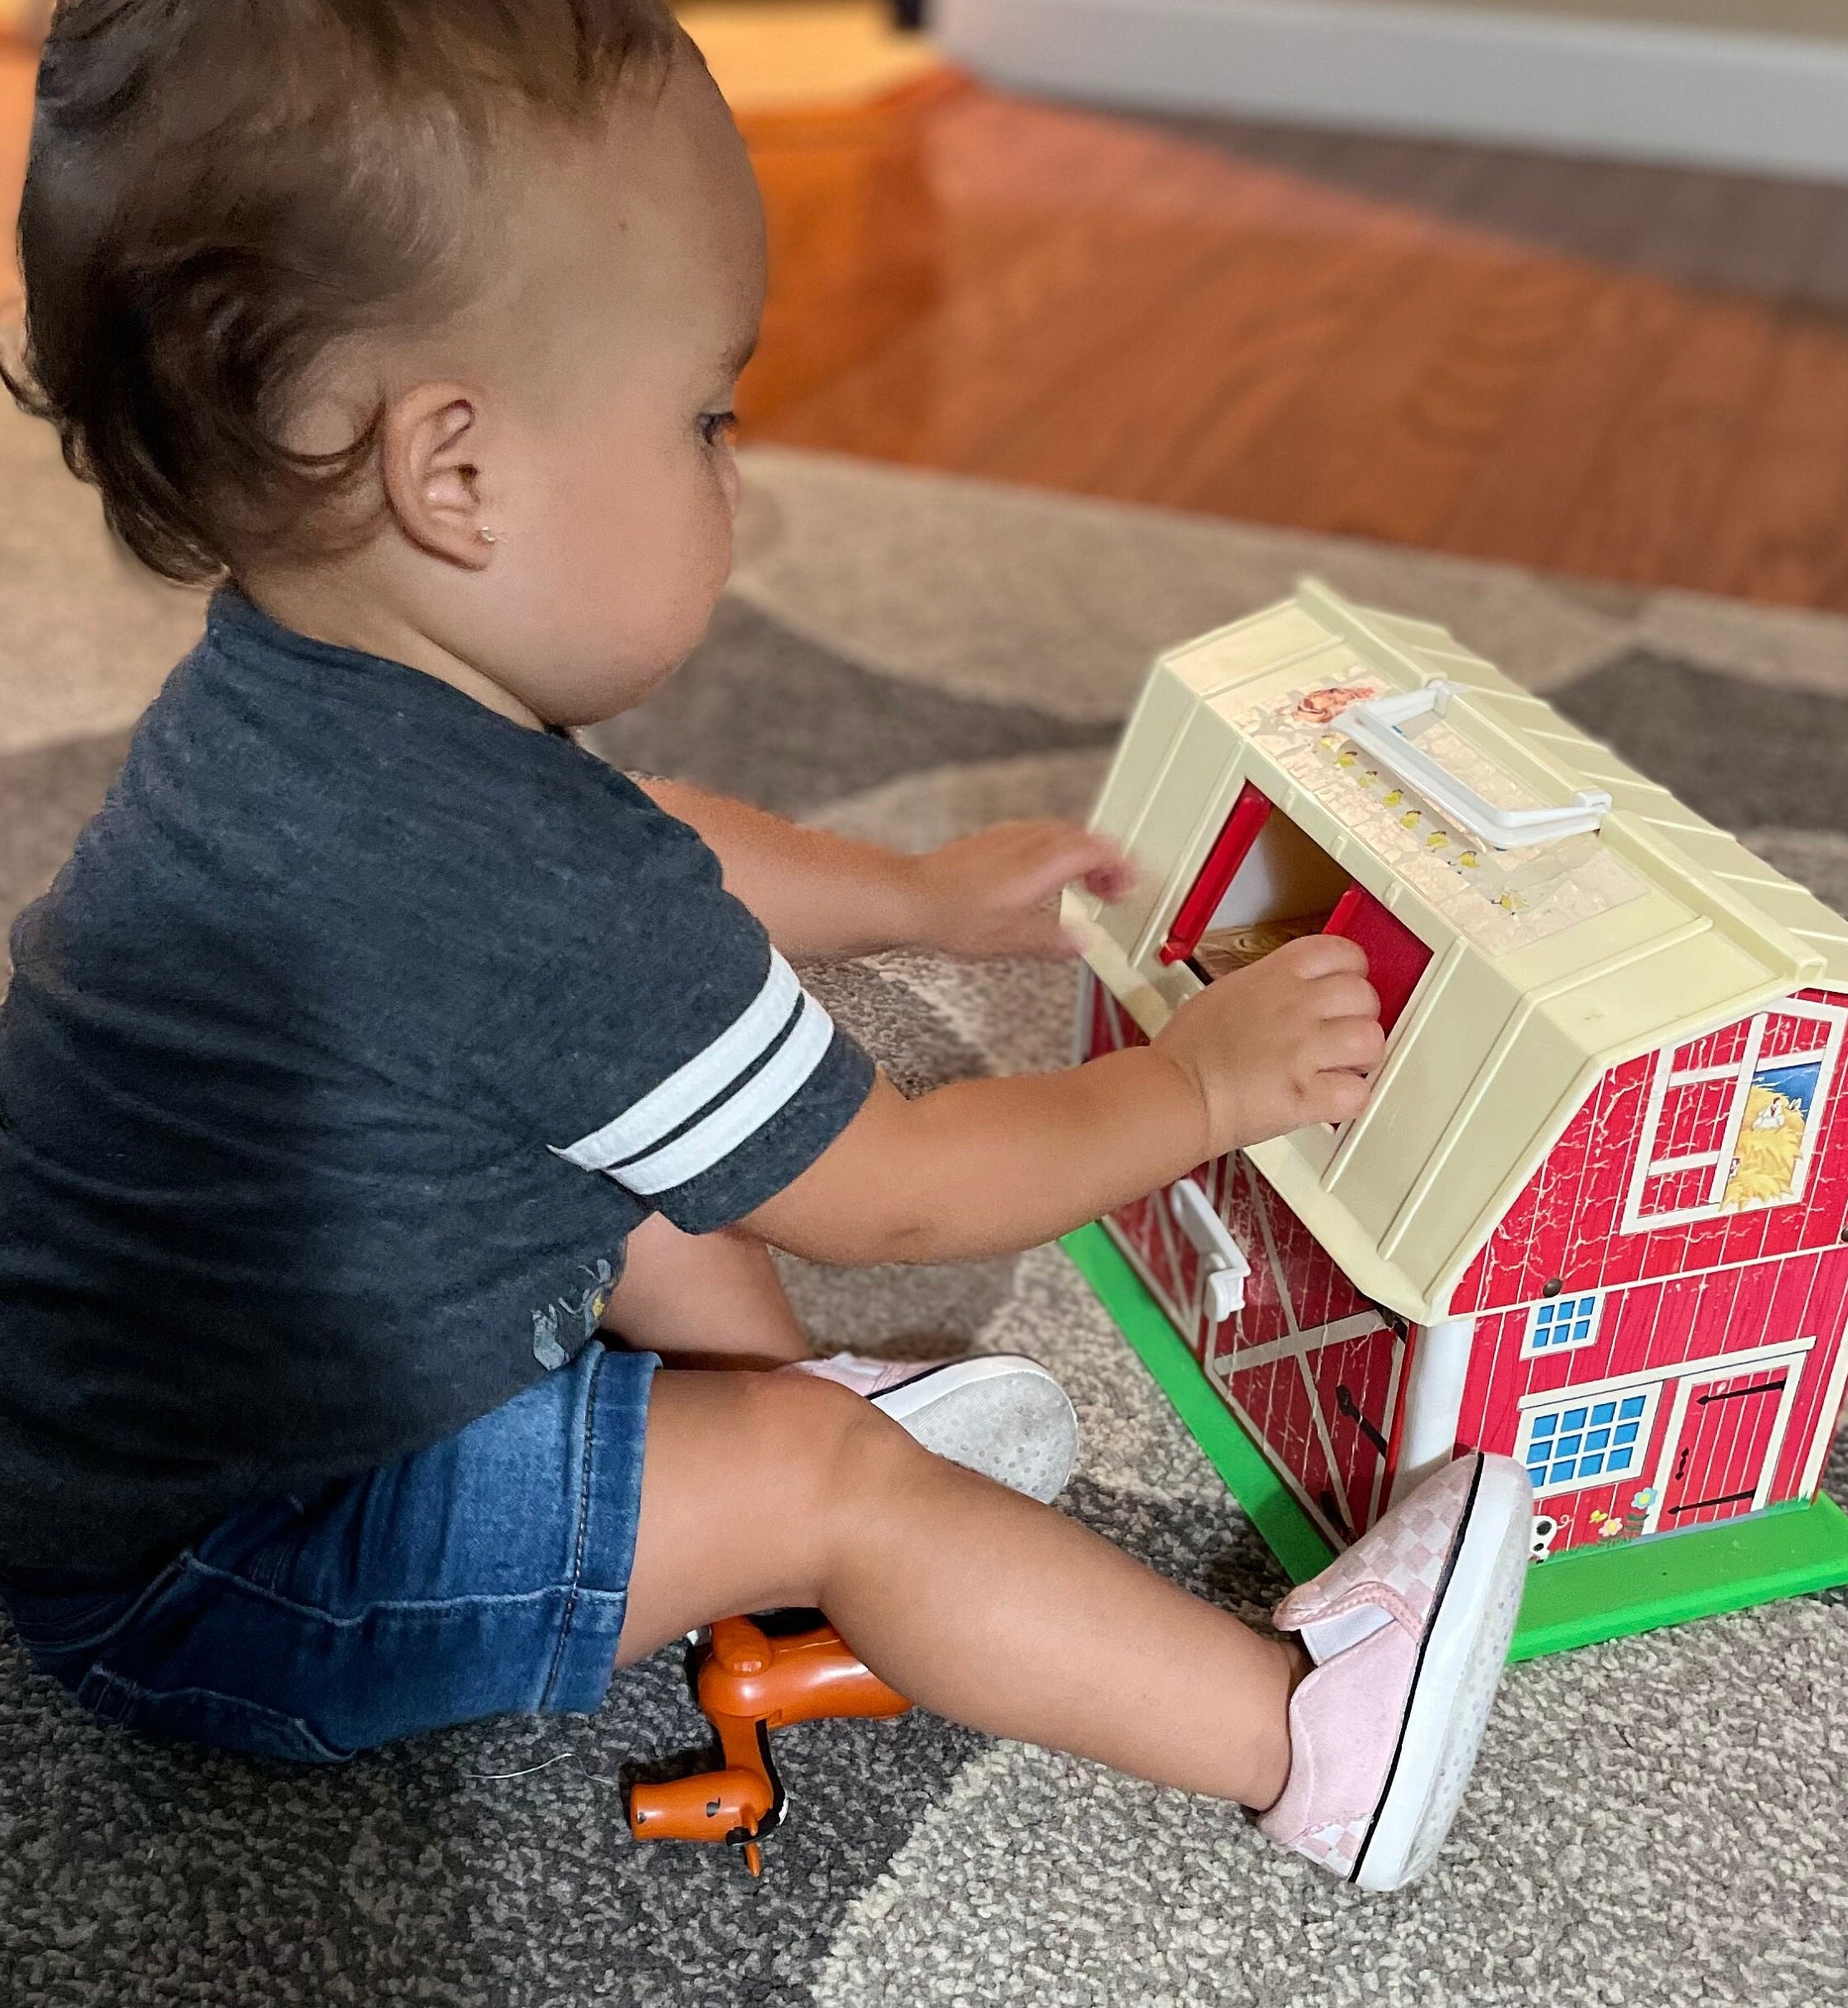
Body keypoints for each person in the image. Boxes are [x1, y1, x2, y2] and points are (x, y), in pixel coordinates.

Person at [0, 0, 1531, 1893]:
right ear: (451, 474)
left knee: (630, 1117)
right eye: (706, 418)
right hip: (243, 1580)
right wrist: (1200, 1089)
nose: (744, 482)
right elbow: (893, 1192)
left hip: (137, 1450)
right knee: (837, 1487)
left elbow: (656, 865)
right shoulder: (515, 887)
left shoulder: (317, 705)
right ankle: (1300, 1732)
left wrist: (903, 895)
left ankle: (765, 1415)